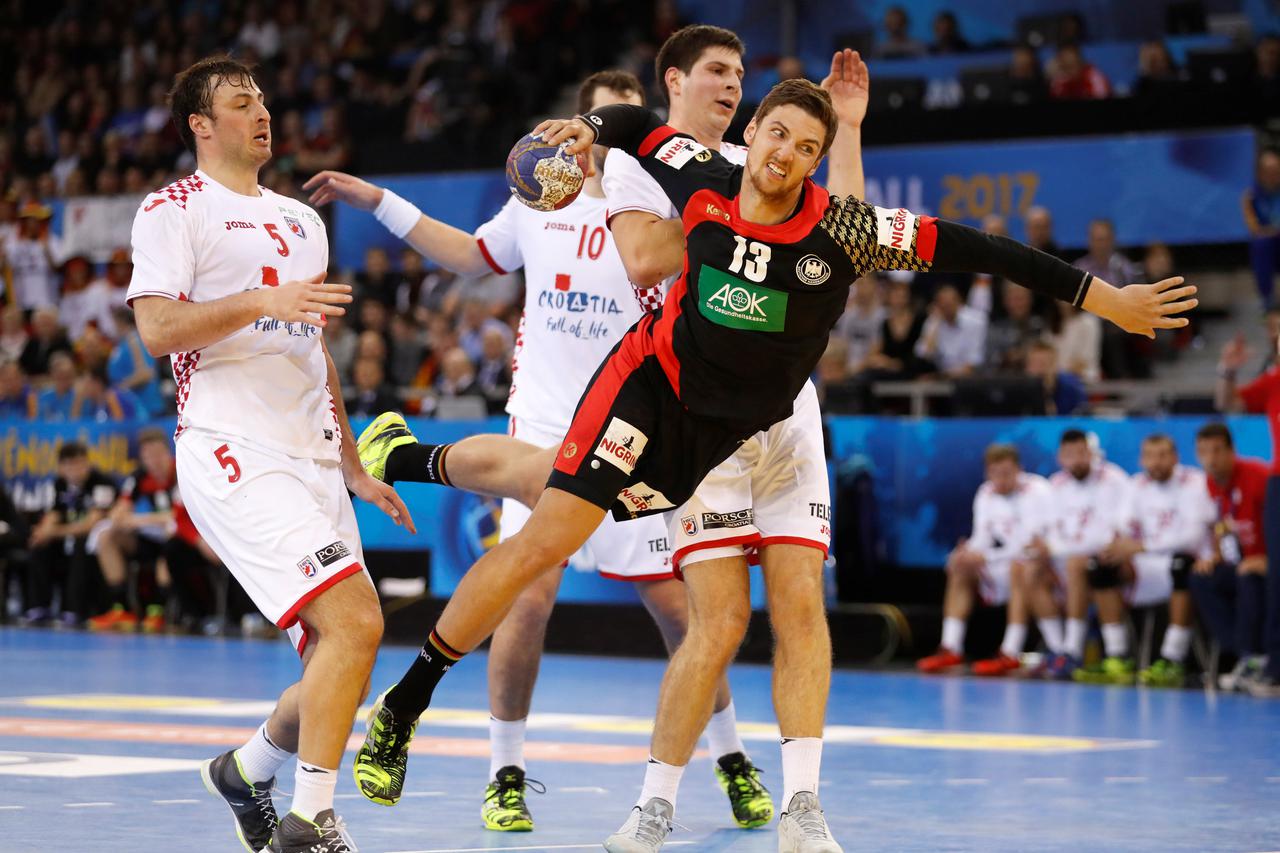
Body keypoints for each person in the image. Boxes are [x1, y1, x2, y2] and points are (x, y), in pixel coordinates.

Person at [355, 78, 1191, 852]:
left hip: (743, 434)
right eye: (775, 134)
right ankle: (408, 698)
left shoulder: (845, 229)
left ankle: (791, 799)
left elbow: (988, 249)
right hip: (649, 396)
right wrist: (592, 126)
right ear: (751, 136)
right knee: (544, 541)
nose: (783, 153)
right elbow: (640, 126)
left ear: (816, 162)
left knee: (752, 609)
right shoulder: (701, 179)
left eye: (804, 146)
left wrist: (1103, 297)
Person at [304, 67, 772, 833]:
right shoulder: (536, 204)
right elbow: (465, 254)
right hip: (547, 416)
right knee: (526, 600)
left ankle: (730, 759)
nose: (583, 144)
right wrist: (376, 200)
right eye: (576, 126)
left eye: (604, 130)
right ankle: (505, 773)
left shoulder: (656, 204)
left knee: (680, 614)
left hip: (634, 427)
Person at [126, 56, 412, 853]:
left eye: (263, 100)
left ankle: (248, 770)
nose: (262, 112)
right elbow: (155, 330)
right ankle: (310, 819)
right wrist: (260, 299)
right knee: (356, 621)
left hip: (313, 455)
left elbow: (311, 347)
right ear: (200, 124)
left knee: (340, 653)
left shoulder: (302, 220)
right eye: (240, 102)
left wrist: (352, 460)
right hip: (231, 446)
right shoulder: (174, 208)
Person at [916, 444, 1049, 677]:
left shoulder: (1038, 490)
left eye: (1007, 473)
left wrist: (984, 556)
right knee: (960, 568)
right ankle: (951, 648)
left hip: (1037, 569)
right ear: (988, 473)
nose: (1001, 480)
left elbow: (1028, 546)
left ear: (1020, 469)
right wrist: (965, 553)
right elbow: (982, 538)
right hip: (1002, 566)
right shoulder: (985, 492)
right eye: (995, 474)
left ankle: (1011, 651)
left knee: (1019, 567)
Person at [1098, 434, 1216, 688]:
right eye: (1150, 456)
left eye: (1163, 455)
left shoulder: (1194, 482)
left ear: (1175, 458)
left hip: (1186, 563)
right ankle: (1117, 655)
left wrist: (1141, 546)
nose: (1156, 463)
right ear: (1142, 460)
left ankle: (1173, 658)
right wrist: (1118, 547)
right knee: (1100, 567)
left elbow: (1191, 538)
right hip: (1145, 565)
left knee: (1181, 565)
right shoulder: (1136, 485)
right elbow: (1123, 527)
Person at [1027, 430, 1132, 680]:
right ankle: (1056, 648)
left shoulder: (1114, 479)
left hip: (1108, 564)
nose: (1076, 460)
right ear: (1060, 458)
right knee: (1027, 570)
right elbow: (1049, 533)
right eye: (1069, 455)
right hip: (1064, 562)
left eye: (1081, 453)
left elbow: (1114, 535)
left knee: (1077, 564)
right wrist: (1046, 551)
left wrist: (1059, 550)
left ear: (1091, 453)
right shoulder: (1055, 485)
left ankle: (1072, 651)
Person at [1217, 328, 1280, 695]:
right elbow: (1230, 403)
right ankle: (1274, 665)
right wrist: (1227, 370)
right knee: (1276, 576)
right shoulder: (1273, 383)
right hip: (1279, 482)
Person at [1191, 419, 1274, 695]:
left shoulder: (1259, 476)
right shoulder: (1212, 485)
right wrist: (1214, 555)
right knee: (1202, 577)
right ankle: (1245, 655)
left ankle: (1257, 658)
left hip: (1269, 565)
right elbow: (1225, 525)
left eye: (1216, 451)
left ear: (1231, 451)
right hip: (1240, 563)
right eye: (1203, 452)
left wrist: (1269, 559)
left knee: (1249, 577)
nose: (1210, 459)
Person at [87, 428, 195, 633]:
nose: (153, 461)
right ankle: (122, 609)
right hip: (151, 538)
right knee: (107, 537)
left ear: (167, 453)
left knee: (171, 544)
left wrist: (140, 519)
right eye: (147, 456)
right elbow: (120, 509)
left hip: (180, 536)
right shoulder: (139, 477)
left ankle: (158, 612)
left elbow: (180, 515)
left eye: (157, 454)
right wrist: (120, 516)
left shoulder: (182, 472)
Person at [24, 442, 118, 626]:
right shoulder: (59, 485)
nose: (76, 469)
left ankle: (75, 609)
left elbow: (92, 522)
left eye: (80, 463)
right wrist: (43, 532)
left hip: (91, 540)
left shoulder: (102, 483)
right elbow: (53, 514)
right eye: (70, 465)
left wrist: (54, 532)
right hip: (65, 537)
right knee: (40, 544)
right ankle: (39, 606)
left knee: (81, 543)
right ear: (61, 468)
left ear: (87, 463)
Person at [1242, 149, 1280, 307]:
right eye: (1268, 170)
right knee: (1260, 244)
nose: (1272, 174)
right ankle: (1267, 298)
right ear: (1260, 173)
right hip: (1268, 241)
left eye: (1276, 170)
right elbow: (1254, 228)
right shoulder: (1250, 195)